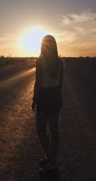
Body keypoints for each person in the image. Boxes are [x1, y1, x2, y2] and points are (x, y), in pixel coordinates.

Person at [32, 35, 64, 174]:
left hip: (45, 97)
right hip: (56, 96)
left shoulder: (40, 61)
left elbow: (38, 83)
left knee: (41, 131)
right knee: (54, 131)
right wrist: (57, 96)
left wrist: (35, 99)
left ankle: (53, 162)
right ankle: (51, 157)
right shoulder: (60, 62)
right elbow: (60, 84)